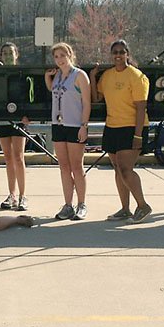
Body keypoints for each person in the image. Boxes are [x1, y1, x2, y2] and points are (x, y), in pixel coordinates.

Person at [90, 40, 152, 223]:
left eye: (121, 52)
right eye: (115, 52)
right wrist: (93, 78)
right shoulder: (107, 76)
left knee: (126, 170)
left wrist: (138, 136)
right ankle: (125, 208)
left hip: (131, 127)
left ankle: (143, 205)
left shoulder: (137, 76)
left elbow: (141, 108)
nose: (118, 55)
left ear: (127, 54)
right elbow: (97, 98)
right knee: (117, 169)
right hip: (112, 127)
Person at [44, 42, 91, 220]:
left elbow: (86, 102)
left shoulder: (79, 75)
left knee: (76, 166)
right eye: (56, 57)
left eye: (63, 55)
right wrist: (46, 77)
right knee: (63, 166)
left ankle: (81, 203)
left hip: (75, 125)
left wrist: (84, 125)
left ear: (70, 55)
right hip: (58, 125)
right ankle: (68, 204)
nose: (60, 60)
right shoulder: (57, 76)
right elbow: (53, 90)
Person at [0, 42, 29, 211]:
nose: (8, 56)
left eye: (11, 53)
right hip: (2, 121)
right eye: (5, 53)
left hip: (18, 121)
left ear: (16, 55)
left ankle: (22, 195)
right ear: (1, 56)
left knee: (18, 157)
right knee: (8, 158)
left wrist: (28, 116)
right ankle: (11, 194)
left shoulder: (21, 74)